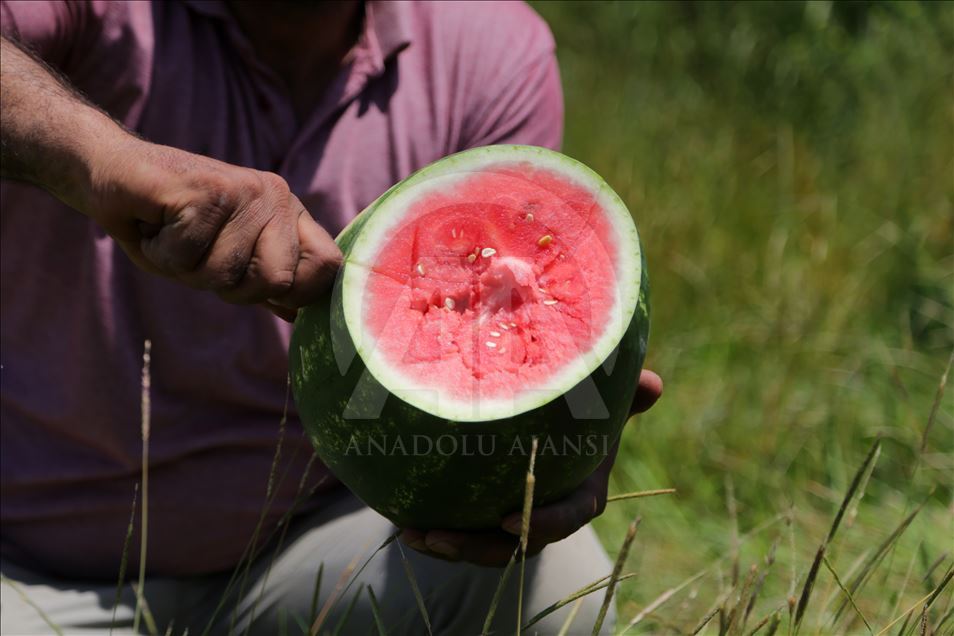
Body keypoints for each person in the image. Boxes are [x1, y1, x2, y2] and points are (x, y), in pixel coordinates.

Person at [0, 1, 663, 633]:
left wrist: (553, 447)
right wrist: (107, 159)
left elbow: (519, 308)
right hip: (33, 571)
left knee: (555, 593)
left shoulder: (489, 48)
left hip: (313, 552)